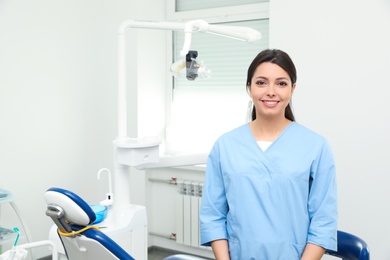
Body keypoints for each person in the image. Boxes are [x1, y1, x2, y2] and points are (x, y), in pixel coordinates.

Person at [199, 49, 337, 259]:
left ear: (293, 88)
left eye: (281, 83)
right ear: (249, 87)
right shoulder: (225, 146)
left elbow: (323, 221)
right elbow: (212, 216)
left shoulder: (316, 146)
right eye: (261, 82)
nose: (271, 91)